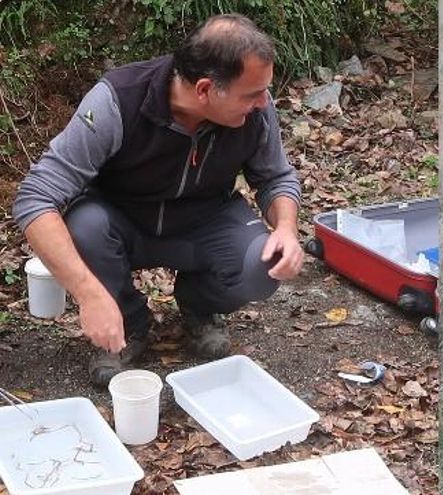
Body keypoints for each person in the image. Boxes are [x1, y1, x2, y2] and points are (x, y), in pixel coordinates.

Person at [12, 14, 304, 388]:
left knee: (264, 264)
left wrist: (286, 227)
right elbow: (36, 197)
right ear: (204, 90)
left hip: (205, 221)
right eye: (252, 94)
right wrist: (88, 295)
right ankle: (126, 321)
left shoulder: (257, 111)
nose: (264, 102)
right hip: (122, 222)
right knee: (85, 226)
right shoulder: (118, 100)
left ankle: (199, 306)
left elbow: (276, 176)